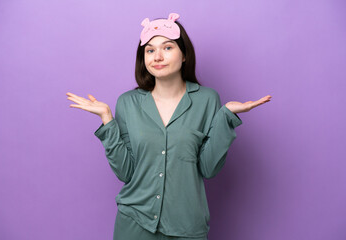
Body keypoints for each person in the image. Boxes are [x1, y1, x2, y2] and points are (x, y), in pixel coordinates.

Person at [66, 13, 271, 240]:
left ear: (184, 55)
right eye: (150, 50)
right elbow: (126, 172)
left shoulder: (207, 100)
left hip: (186, 226)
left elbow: (208, 168)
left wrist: (227, 117)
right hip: (134, 223)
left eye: (167, 47)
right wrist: (107, 119)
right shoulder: (127, 102)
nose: (158, 56)